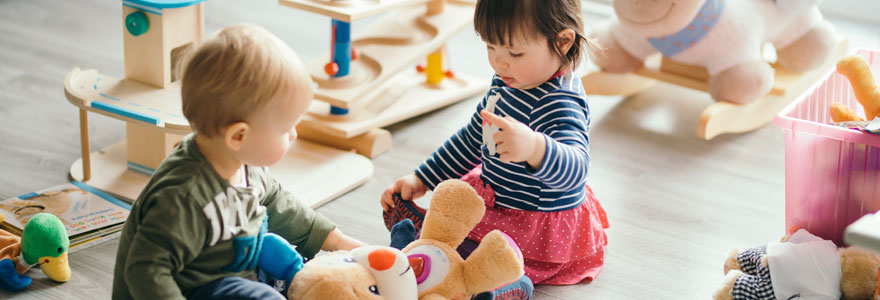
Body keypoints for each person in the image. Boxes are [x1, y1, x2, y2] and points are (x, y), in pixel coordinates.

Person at [112, 24, 366, 300]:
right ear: (238, 135)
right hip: (189, 288)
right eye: (286, 128)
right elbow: (146, 270)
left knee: (282, 255)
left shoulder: (243, 162)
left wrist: (339, 242)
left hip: (229, 269)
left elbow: (279, 204)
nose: (294, 134)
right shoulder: (183, 197)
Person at [381, 0, 609, 289]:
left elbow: (576, 170)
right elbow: (473, 138)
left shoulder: (560, 103)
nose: (499, 62)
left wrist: (535, 148)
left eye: (515, 52)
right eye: (490, 47)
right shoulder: (507, 81)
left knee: (484, 255)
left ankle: (492, 284)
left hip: (534, 223)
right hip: (497, 197)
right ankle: (431, 240)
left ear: (562, 42)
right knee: (457, 211)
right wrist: (423, 178)